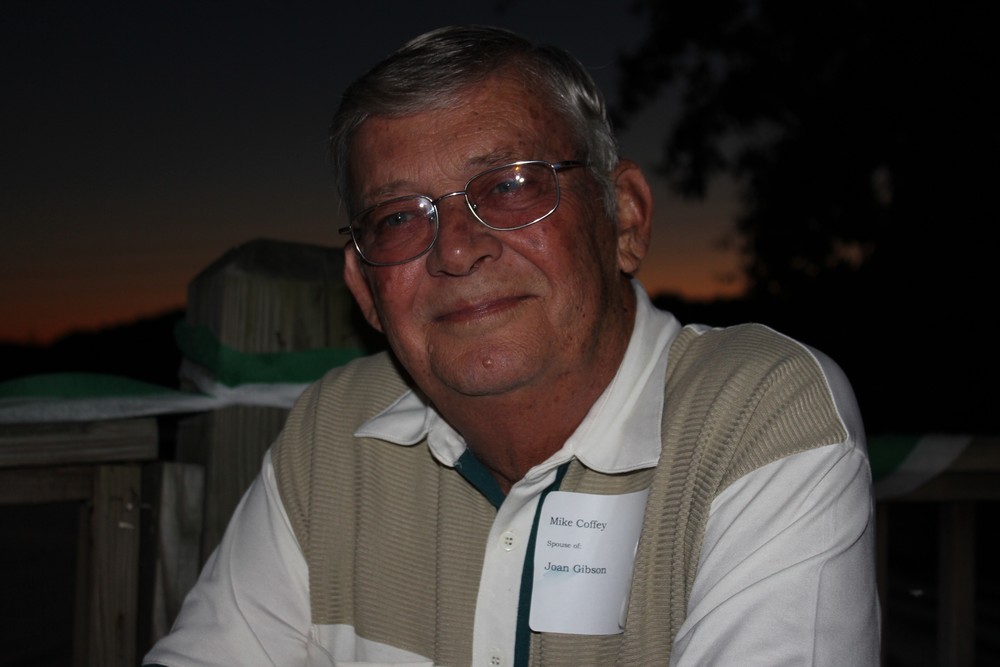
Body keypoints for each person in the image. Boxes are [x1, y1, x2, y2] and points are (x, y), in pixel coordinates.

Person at [143, 25, 880, 667]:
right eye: (399, 217)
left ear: (624, 219)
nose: (456, 249)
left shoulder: (759, 415)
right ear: (365, 290)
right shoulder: (332, 435)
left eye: (510, 185)